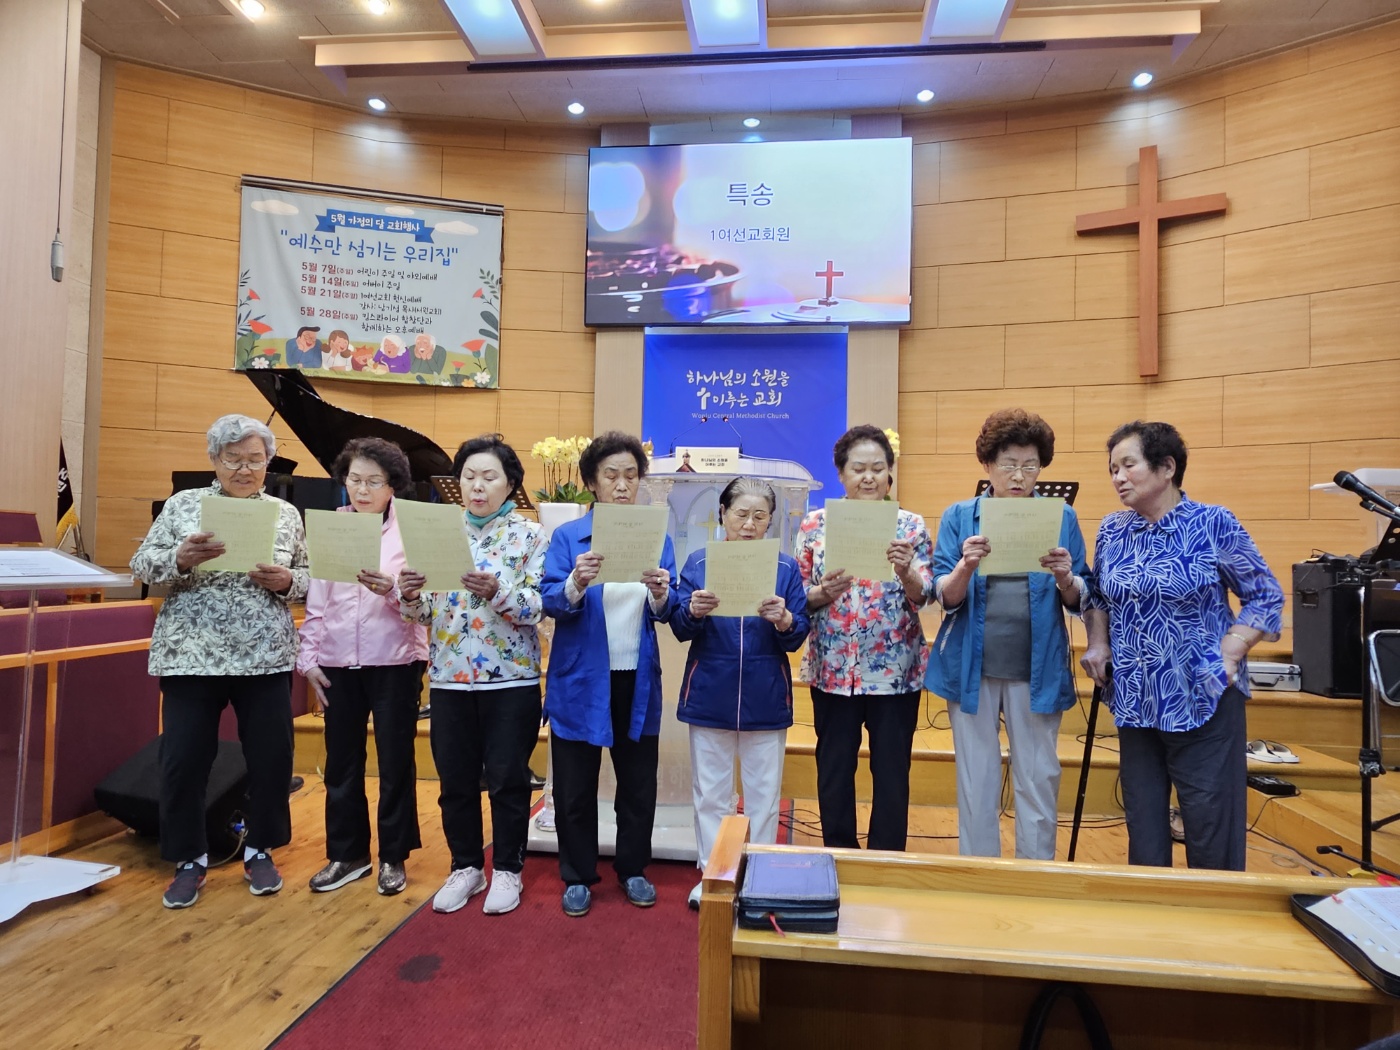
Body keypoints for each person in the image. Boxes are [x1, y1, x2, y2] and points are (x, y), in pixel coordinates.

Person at [1081, 421, 1283, 871]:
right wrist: (1098, 642)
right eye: (1112, 469)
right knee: (1144, 829)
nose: (1117, 478)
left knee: (1210, 828)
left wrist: (1231, 650)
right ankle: (1154, 912)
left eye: (1127, 465)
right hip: (1134, 698)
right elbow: (1097, 598)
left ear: (1167, 467)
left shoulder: (1213, 523)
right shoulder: (1112, 529)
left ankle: (1216, 911)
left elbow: (1265, 596)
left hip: (1202, 693)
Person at [130, 414, 309, 909]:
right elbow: (141, 564)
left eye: (255, 460)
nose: (244, 469)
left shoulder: (285, 513)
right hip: (191, 653)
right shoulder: (183, 505)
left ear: (269, 462)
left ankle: (259, 848)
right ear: (214, 460)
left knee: (272, 758)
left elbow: (309, 576)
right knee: (183, 759)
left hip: (264, 654)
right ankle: (189, 858)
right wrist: (180, 559)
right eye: (233, 459)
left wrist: (288, 582)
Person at [925, 409, 1089, 861]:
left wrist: (1065, 577)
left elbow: (1081, 596)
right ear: (987, 465)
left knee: (1038, 776)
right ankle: (980, 875)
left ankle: (1035, 876)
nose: (1019, 476)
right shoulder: (960, 516)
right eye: (1008, 464)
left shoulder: (1062, 517)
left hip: (1036, 664)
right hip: (971, 665)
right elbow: (944, 596)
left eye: (1030, 465)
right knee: (975, 778)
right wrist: (966, 566)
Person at [398, 434, 548, 917]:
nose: (477, 486)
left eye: (489, 477)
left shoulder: (530, 536)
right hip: (448, 678)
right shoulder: (438, 532)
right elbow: (423, 613)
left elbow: (538, 607)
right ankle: (466, 865)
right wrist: (409, 594)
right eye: (468, 476)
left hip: (512, 680)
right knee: (455, 781)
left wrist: (497, 592)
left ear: (510, 485)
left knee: (507, 779)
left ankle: (507, 868)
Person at [541, 430, 677, 918]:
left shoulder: (656, 538)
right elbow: (550, 601)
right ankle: (577, 876)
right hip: (581, 678)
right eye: (611, 475)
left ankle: (633, 868)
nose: (622, 485)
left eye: (631, 476)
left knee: (638, 785)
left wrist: (662, 593)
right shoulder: (568, 538)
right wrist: (575, 582)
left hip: (636, 678)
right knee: (574, 787)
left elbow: (670, 611)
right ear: (591, 483)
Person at [297, 437, 428, 896]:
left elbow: (423, 607)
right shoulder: (333, 526)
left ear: (393, 486)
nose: (363, 490)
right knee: (341, 763)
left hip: (395, 660)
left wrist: (390, 590)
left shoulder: (411, 530)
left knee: (395, 762)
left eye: (375, 481)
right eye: (355, 480)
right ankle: (347, 854)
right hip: (337, 661)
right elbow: (318, 599)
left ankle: (394, 855)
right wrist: (308, 658)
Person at [671, 477, 809, 908]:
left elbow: (798, 633)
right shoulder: (699, 562)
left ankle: (760, 875)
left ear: (770, 522)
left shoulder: (785, 568)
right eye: (741, 514)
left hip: (766, 693)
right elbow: (679, 626)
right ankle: (714, 876)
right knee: (711, 795)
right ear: (722, 514)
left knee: (763, 797)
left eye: (759, 516)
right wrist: (692, 612)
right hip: (709, 690)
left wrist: (785, 619)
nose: (749, 524)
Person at [795, 424, 933, 852]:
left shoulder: (910, 526)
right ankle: (839, 855)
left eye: (877, 468)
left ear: (890, 473)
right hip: (833, 669)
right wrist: (822, 593)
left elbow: (925, 595)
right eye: (858, 469)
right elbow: (797, 594)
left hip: (895, 672)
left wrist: (906, 571)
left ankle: (885, 860)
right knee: (834, 768)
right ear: (841, 474)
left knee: (892, 771)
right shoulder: (814, 525)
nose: (868, 477)